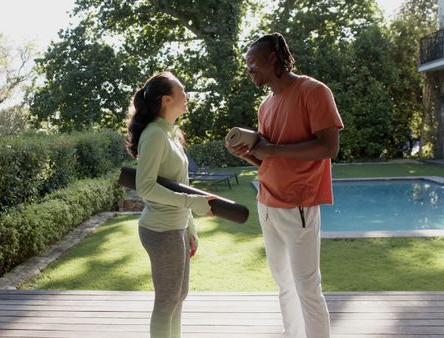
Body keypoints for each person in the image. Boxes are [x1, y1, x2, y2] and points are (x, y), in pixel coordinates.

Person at [225, 33, 343, 338]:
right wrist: (248, 154)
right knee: (284, 285)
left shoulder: (313, 91)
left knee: (307, 287)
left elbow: (329, 147)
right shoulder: (266, 106)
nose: (249, 69)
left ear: (273, 58)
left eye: (252, 62)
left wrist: (272, 150)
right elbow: (268, 161)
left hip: (299, 205)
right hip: (267, 204)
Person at [125, 71, 214, 338]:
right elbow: (146, 187)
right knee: (167, 300)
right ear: (166, 100)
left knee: (178, 296)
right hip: (160, 230)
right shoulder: (154, 134)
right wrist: (192, 203)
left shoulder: (171, 134)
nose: (187, 97)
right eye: (182, 92)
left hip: (176, 228)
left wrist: (190, 227)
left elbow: (179, 184)